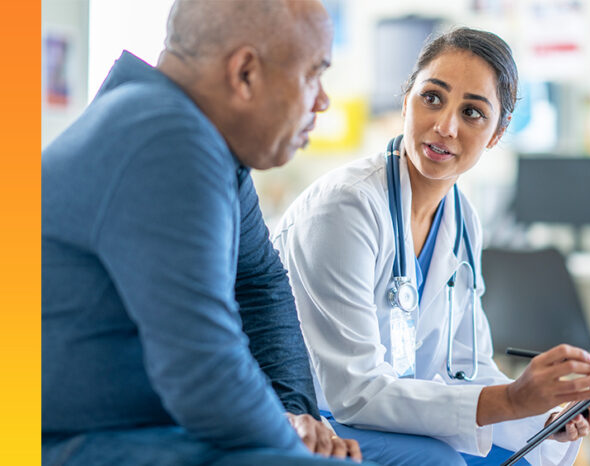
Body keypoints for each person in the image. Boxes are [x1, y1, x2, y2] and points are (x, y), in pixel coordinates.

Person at [273, 27, 590, 466]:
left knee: (526, 456)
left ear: (497, 134)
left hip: (386, 413)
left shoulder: (462, 220)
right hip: (313, 416)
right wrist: (512, 400)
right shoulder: (345, 209)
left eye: (473, 113)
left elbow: (468, 367)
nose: (445, 126)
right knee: (441, 461)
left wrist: (546, 416)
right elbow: (355, 392)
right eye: (432, 98)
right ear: (406, 101)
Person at [41, 0, 367, 464]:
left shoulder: (181, 129)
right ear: (245, 73)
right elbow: (205, 374)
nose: (322, 100)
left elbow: (260, 282)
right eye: (314, 73)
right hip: (63, 440)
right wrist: (296, 443)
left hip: (132, 428)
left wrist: (295, 411)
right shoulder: (167, 137)